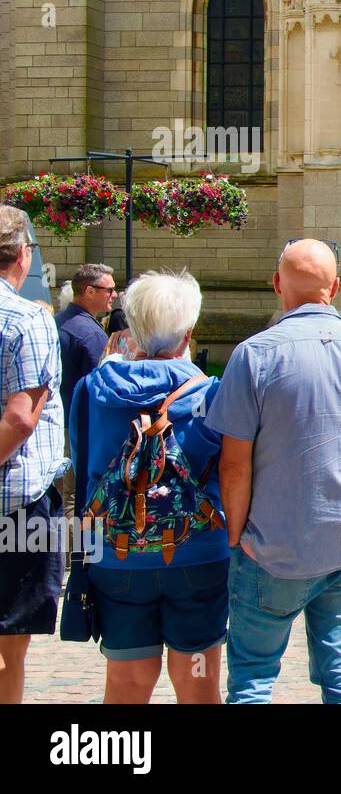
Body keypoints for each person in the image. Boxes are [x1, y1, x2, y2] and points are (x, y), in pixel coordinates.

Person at [206, 239, 341, 704]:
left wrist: (236, 536)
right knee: (339, 666)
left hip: (268, 547)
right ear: (335, 287)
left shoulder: (253, 354)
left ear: (277, 285)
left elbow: (233, 464)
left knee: (253, 678)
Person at [69, 271, 226, 703]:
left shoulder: (91, 391)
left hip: (117, 557)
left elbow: (86, 467)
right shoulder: (212, 395)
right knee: (198, 683)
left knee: (126, 683)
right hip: (197, 554)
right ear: (188, 332)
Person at [0, 205, 68, 704]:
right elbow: (21, 418)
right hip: (14, 503)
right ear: (24, 255)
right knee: (7, 646)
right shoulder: (27, 319)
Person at [53, 263, 116, 518]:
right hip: (78, 426)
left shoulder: (58, 322)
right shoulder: (90, 334)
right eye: (109, 290)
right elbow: (101, 390)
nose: (114, 295)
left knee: (60, 495)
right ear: (90, 291)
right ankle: (72, 558)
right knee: (75, 496)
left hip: (57, 422)